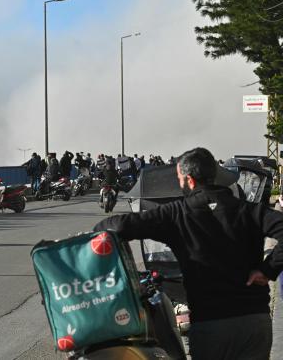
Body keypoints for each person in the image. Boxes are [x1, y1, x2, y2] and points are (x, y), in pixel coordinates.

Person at [93, 147, 283, 360]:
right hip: (254, 322)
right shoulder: (249, 210)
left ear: (190, 180)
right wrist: (268, 270)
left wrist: (93, 232)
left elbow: (118, 226)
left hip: (211, 325)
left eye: (179, 178)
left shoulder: (176, 213)